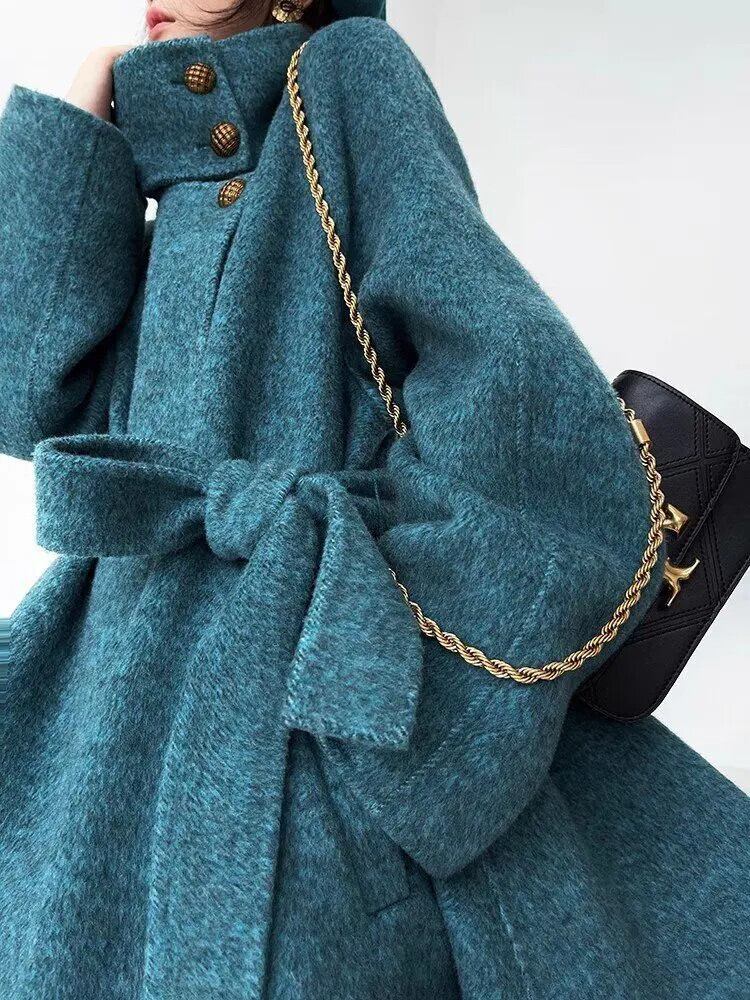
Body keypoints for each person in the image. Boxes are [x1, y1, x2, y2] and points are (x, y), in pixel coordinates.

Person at [0, 2, 747, 997]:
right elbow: (25, 401)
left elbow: (527, 413)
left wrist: (389, 694)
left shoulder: (349, 78)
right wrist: (77, 124)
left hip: (299, 729)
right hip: (107, 724)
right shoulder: (158, 176)